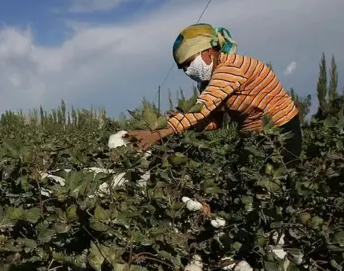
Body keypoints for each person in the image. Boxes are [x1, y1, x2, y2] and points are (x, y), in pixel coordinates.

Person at [128, 23, 302, 167]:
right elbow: (214, 120)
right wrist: (182, 124)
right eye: (183, 68)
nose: (187, 71)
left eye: (189, 63)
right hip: (252, 133)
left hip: (280, 129)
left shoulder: (231, 68)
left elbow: (202, 107)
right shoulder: (208, 82)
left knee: (281, 179)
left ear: (208, 52)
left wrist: (158, 134)